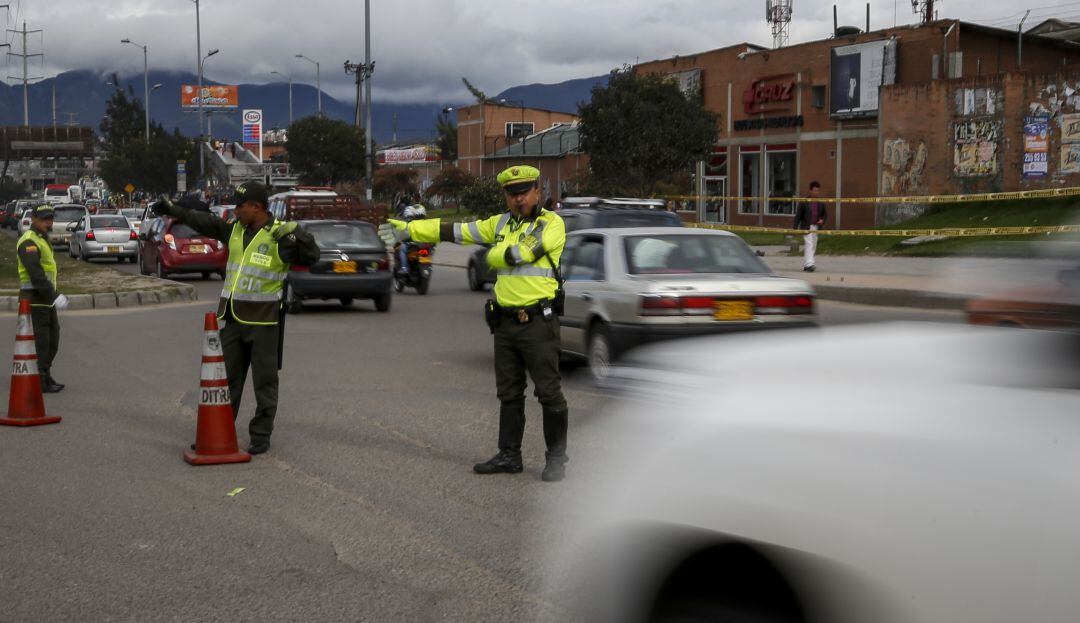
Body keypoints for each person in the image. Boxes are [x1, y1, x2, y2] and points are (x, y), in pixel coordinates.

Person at [379, 165, 570, 482]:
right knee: (509, 393)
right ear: (505, 196)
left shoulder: (551, 223)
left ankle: (557, 459)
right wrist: (410, 231)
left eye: (524, 191)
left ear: (538, 191)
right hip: (506, 322)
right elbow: (457, 231)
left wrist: (497, 255)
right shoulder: (501, 223)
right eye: (512, 193)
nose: (519, 198)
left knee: (549, 394)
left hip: (538, 322)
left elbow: (526, 252)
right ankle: (509, 455)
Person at [152, 182, 320, 455]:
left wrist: (300, 235)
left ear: (256, 206)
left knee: (264, 382)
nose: (236, 210)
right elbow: (205, 222)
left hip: (264, 322)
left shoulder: (279, 236)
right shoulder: (235, 229)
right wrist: (175, 210)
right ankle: (219, 432)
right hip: (233, 318)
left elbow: (312, 257)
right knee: (225, 380)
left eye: (240, 206)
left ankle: (261, 434)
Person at [16, 204, 70, 393]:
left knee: (52, 339)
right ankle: (40, 379)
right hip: (34, 299)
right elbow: (36, 274)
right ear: (34, 219)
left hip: (45, 298)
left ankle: (45, 375)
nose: (49, 222)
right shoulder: (29, 241)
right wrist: (54, 295)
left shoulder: (42, 238)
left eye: (51, 218)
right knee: (42, 341)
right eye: (45, 219)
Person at [794, 180, 826, 272]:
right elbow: (798, 216)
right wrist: (795, 228)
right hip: (806, 226)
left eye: (818, 191)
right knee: (809, 244)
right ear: (810, 190)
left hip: (816, 227)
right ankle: (809, 264)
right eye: (815, 190)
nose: (817, 193)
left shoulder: (821, 202)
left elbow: (824, 214)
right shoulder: (804, 202)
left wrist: (822, 220)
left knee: (813, 245)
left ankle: (807, 264)